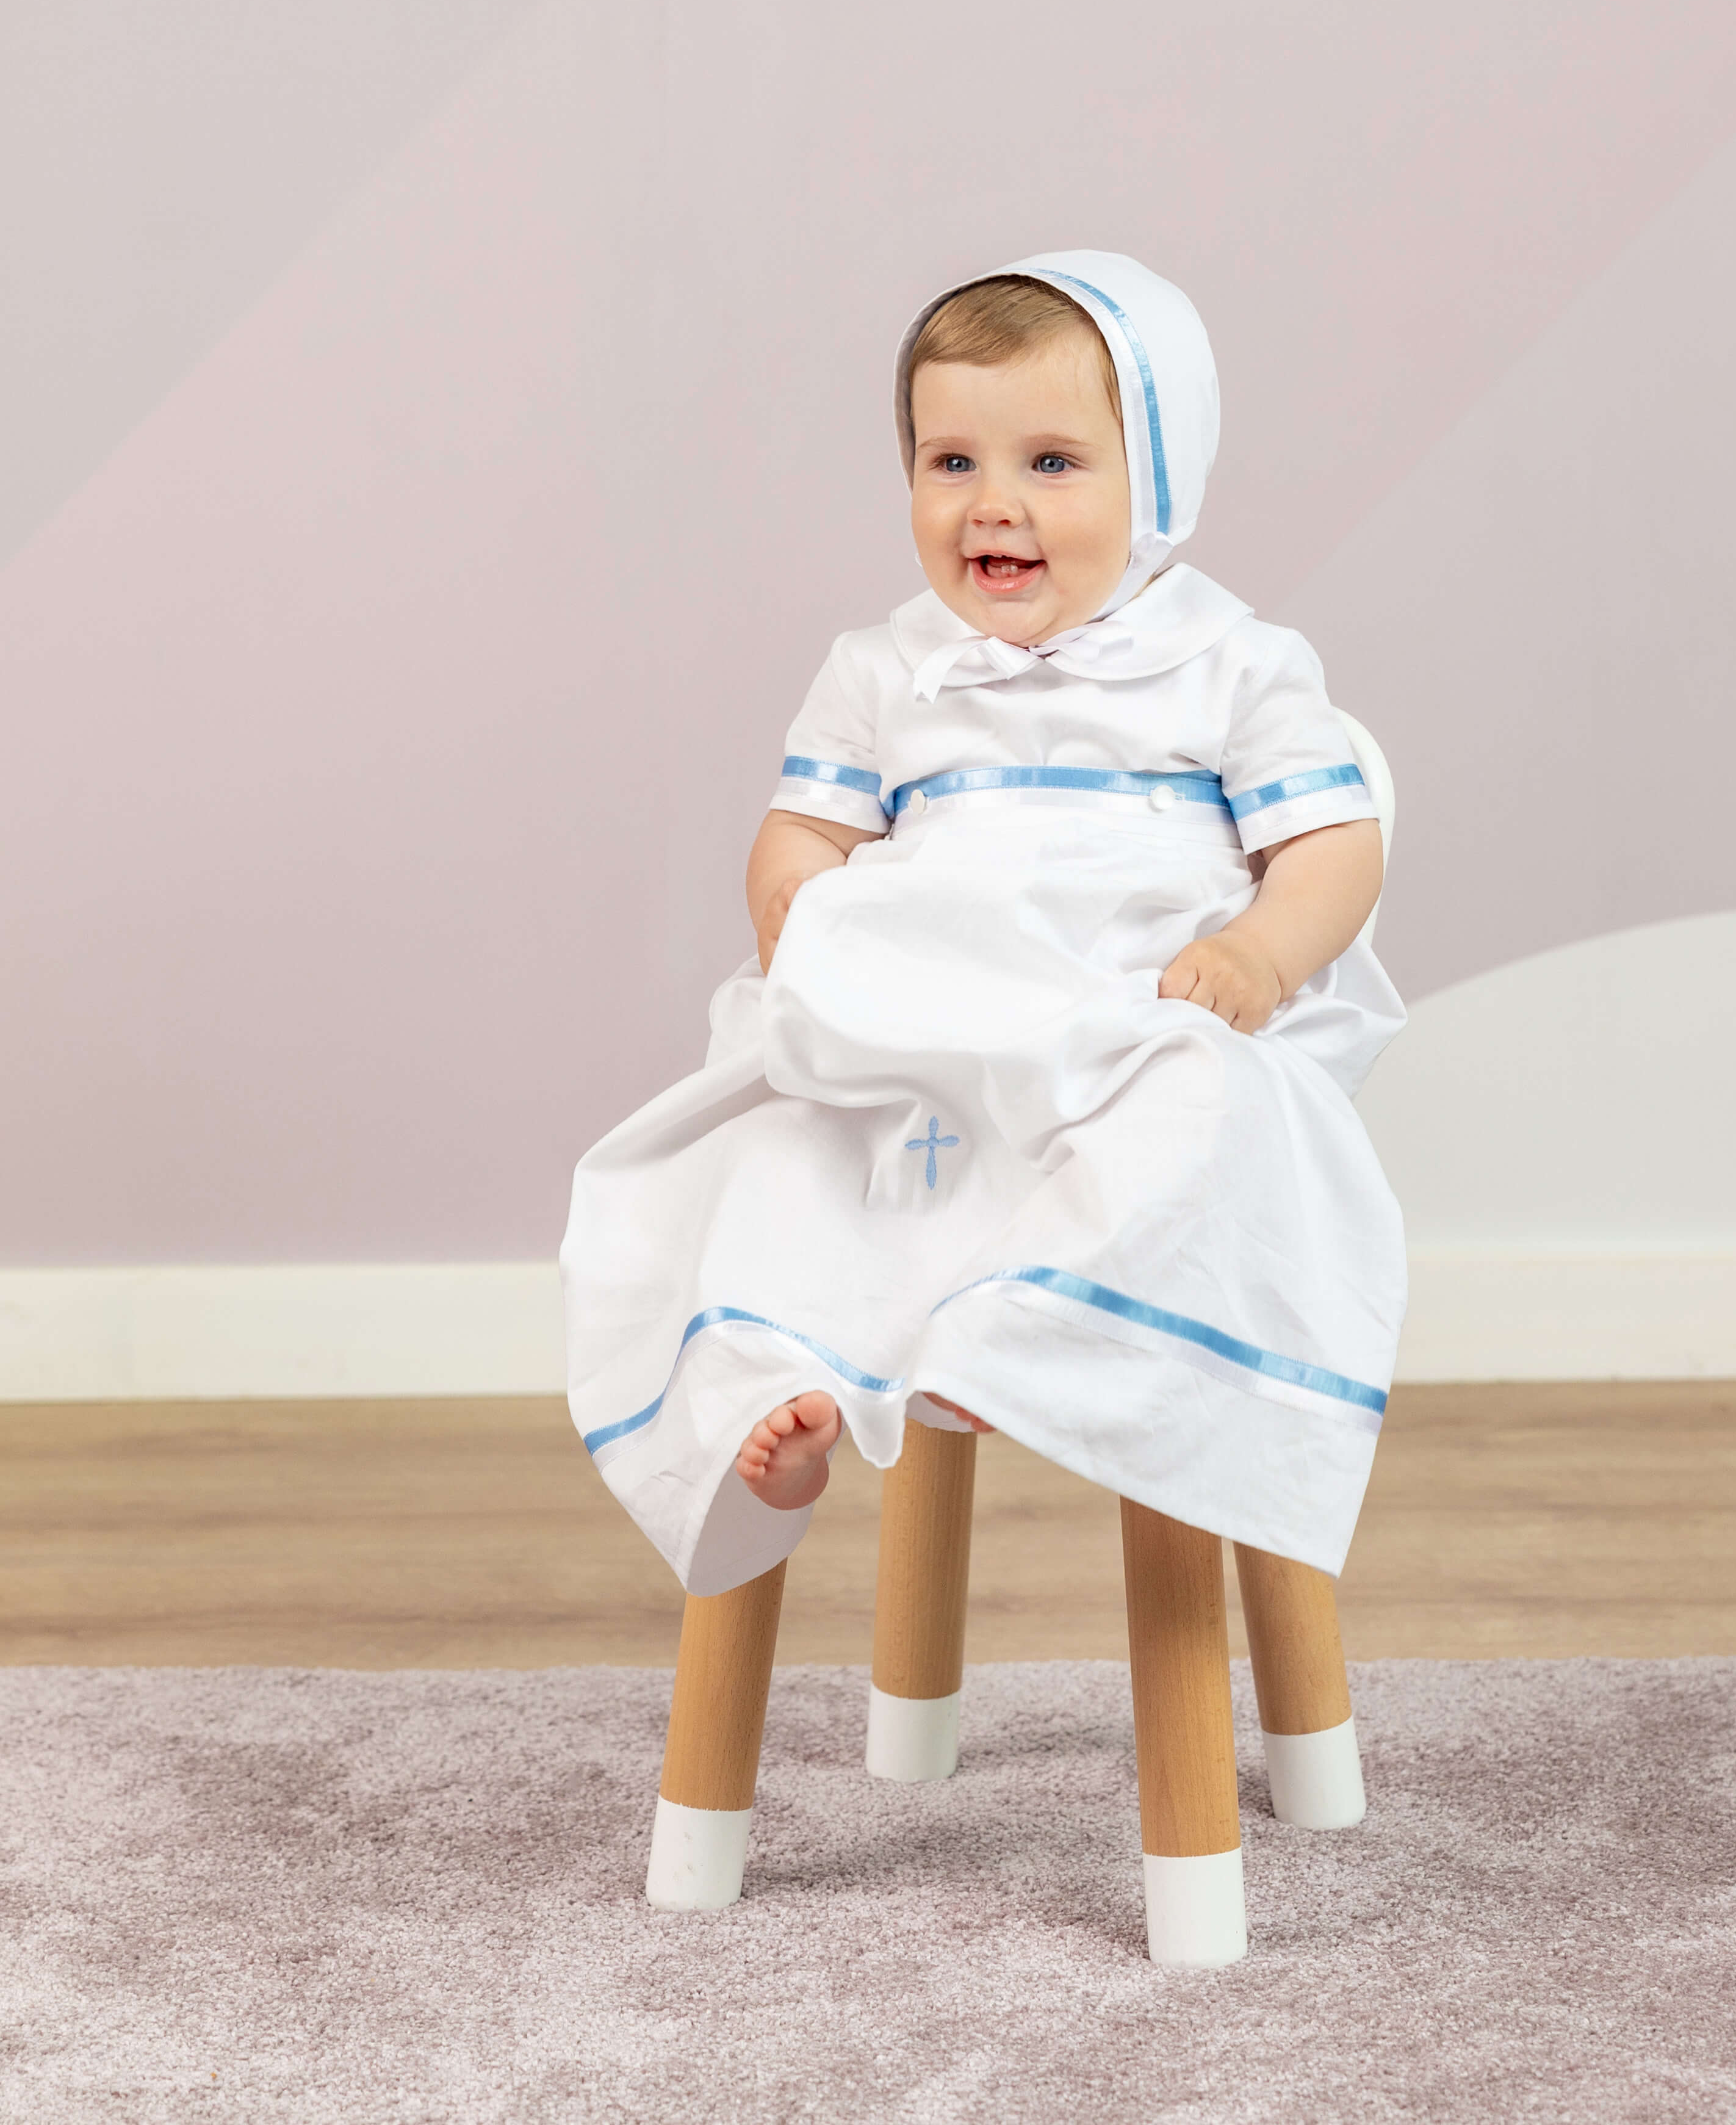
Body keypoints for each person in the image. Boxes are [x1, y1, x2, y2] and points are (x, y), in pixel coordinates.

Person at [561, 252, 1406, 1599]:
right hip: (924, 1026)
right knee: (783, 1145)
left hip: (1124, 1012)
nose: (991, 505)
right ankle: (777, 1381)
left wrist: (1258, 954)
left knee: (1203, 1113)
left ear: (1162, 483)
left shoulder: (1234, 664)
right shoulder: (884, 668)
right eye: (949, 461)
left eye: (1053, 465)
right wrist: (790, 901)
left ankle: (1039, 1334)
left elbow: (1332, 845)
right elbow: (806, 834)